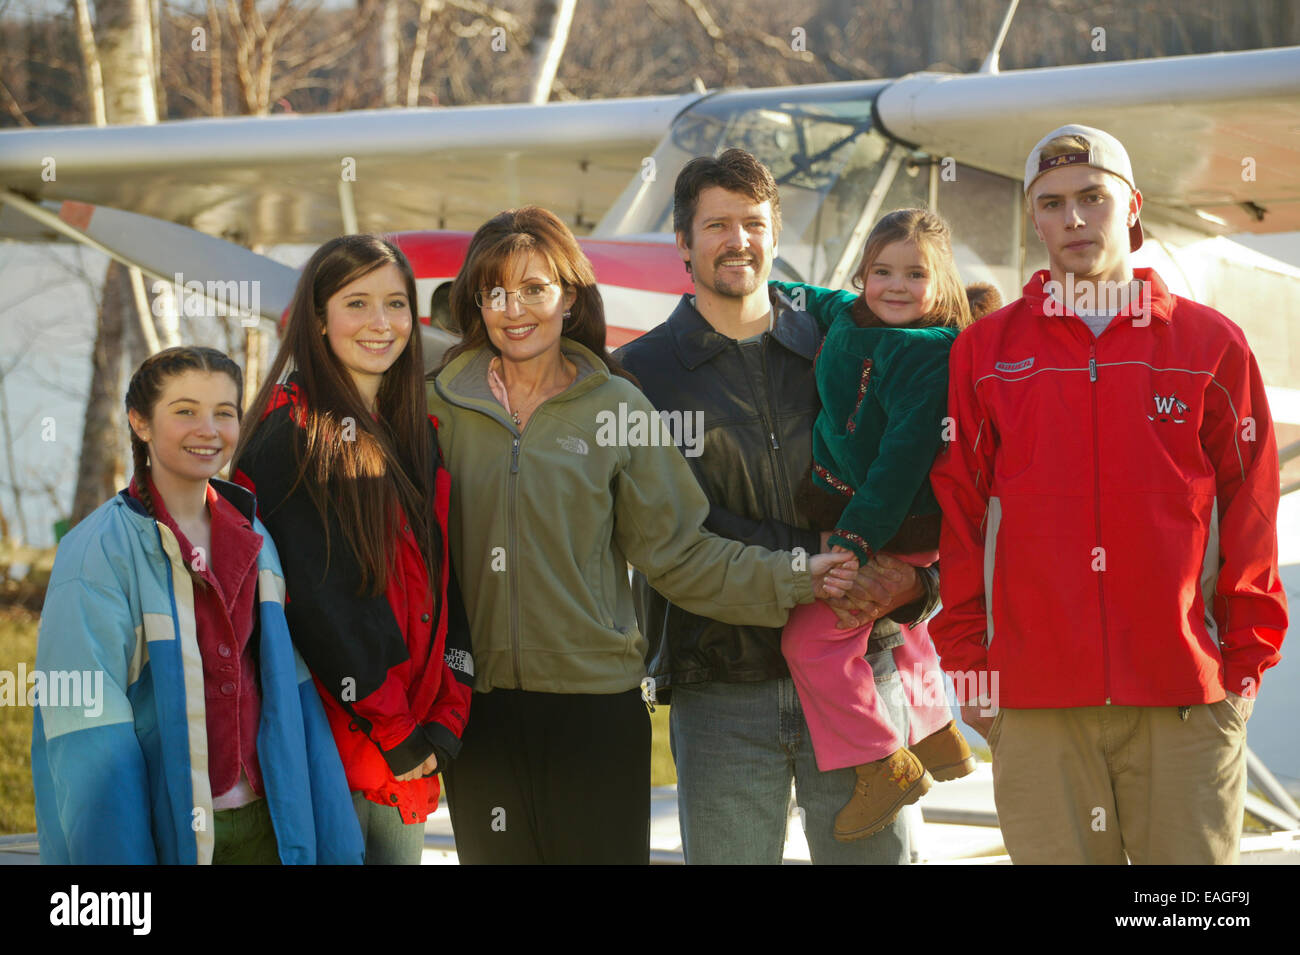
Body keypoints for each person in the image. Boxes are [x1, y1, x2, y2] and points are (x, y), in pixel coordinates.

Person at [428, 205, 857, 865]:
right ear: (476, 302)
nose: (515, 309)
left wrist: (796, 573)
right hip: (476, 711)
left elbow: (680, 553)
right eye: (496, 291)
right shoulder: (438, 405)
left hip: (594, 712)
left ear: (569, 297)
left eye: (535, 289)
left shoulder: (618, 408)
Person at [930, 124, 1288, 864]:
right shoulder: (985, 352)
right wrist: (970, 666)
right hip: (1033, 703)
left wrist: (1243, 668)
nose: (1074, 220)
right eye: (1053, 203)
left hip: (1186, 697)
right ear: (1033, 219)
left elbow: (1252, 513)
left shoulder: (1211, 345)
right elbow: (960, 520)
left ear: (1132, 207)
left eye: (1093, 198)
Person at [615, 148, 942, 865]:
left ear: (774, 233)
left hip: (863, 668)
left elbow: (921, 470)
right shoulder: (639, 376)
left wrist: (924, 585)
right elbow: (664, 531)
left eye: (754, 223)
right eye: (717, 225)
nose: (739, 241)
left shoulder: (847, 340)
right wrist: (808, 562)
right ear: (682, 242)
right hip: (722, 688)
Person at [31, 346, 362, 864]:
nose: (207, 429)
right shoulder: (96, 552)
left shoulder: (253, 533)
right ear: (140, 422)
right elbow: (87, 737)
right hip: (170, 832)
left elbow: (290, 690)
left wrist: (333, 837)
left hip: (267, 822)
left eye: (224, 413)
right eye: (184, 411)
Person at [233, 235, 473, 865]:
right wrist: (395, 728)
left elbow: (444, 585)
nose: (381, 324)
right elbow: (321, 601)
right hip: (336, 740)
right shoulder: (290, 436)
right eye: (356, 303)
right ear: (318, 319)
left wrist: (449, 709)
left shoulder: (414, 434)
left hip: (409, 738)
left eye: (396, 304)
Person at [767, 208, 1002, 843]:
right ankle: (937, 731)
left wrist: (853, 542)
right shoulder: (847, 314)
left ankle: (880, 760)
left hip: (893, 516)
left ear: (942, 283)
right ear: (863, 274)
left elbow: (900, 464)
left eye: (915, 274)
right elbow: (806, 295)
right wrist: (754, 286)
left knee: (813, 642)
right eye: (881, 271)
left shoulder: (929, 355)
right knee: (901, 627)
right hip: (860, 506)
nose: (895, 286)